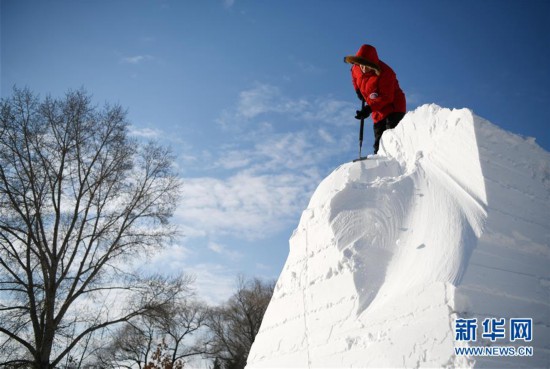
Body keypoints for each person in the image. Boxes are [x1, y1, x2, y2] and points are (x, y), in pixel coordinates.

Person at [345, 44, 406, 154]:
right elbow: (354, 76)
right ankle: (380, 164)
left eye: (366, 65)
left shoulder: (386, 73)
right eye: (361, 65)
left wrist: (368, 109)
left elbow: (387, 97)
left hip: (394, 107)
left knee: (391, 137)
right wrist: (357, 90)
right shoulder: (356, 68)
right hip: (377, 110)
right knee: (379, 141)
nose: (363, 68)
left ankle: (398, 164)